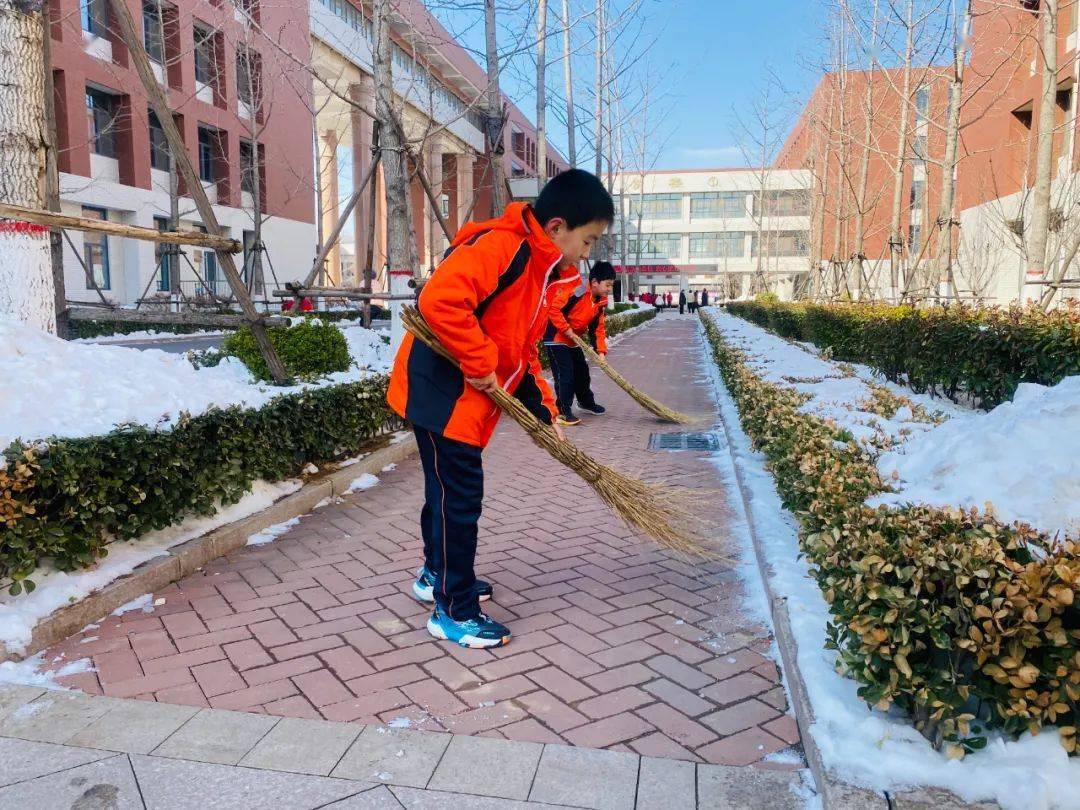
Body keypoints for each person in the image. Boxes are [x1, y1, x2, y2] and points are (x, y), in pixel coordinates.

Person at [386, 169, 614, 649]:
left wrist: (544, 412)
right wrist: (481, 360)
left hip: (457, 396)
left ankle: (437, 577)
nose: (588, 252)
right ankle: (454, 610)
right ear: (556, 227)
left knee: (445, 494)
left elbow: (522, 352)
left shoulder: (538, 268)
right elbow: (440, 300)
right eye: (588, 240)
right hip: (444, 395)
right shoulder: (502, 248)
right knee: (459, 500)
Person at [543, 261, 616, 425]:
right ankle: (562, 411)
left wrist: (601, 351)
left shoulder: (600, 302)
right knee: (565, 374)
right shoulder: (578, 291)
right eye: (608, 285)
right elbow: (553, 310)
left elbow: (598, 328)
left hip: (572, 339)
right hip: (556, 337)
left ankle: (585, 402)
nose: (609, 289)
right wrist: (566, 329)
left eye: (611, 286)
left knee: (582, 372)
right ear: (595, 282)